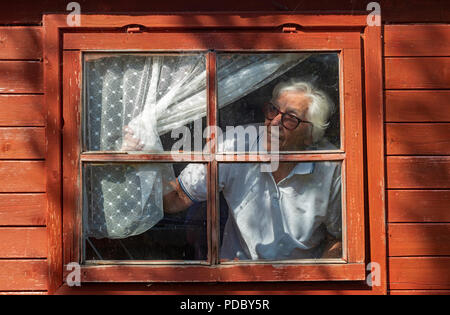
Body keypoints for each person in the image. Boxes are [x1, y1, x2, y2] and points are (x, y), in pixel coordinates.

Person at [123, 79, 342, 260]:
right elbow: (176, 197)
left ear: (310, 135)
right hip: (238, 278)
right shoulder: (235, 144)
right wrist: (143, 159)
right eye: (273, 110)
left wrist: (311, 283)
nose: (274, 123)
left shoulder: (331, 166)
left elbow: (340, 238)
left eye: (290, 119)